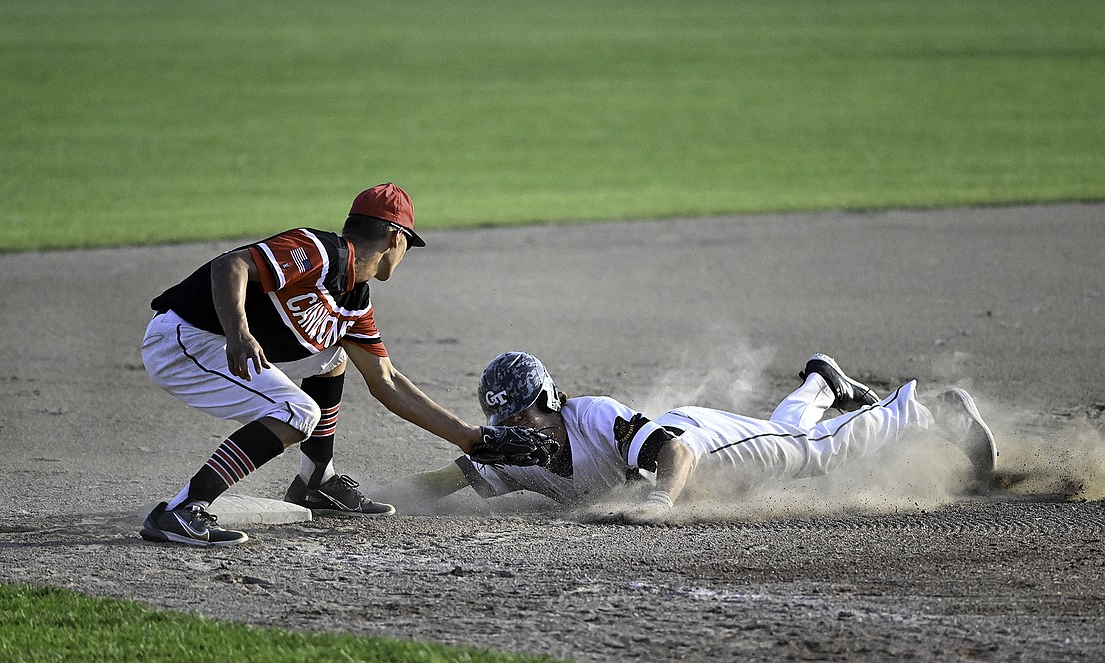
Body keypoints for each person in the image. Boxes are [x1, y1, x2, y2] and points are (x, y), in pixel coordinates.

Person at [139, 183, 488, 546]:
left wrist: (468, 437)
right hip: (182, 341)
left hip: (217, 345)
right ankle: (180, 511)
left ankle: (315, 482)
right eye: (406, 246)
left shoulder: (354, 301)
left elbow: (387, 381)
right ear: (395, 238)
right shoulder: (320, 251)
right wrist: (239, 333)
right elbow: (232, 264)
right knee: (298, 412)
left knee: (333, 358)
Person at [387, 351, 999, 523]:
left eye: (521, 418)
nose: (513, 434)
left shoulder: (593, 415)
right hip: (694, 443)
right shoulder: (515, 453)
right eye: (504, 425)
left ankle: (924, 411)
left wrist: (660, 503)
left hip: (697, 439)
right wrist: (387, 494)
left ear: (549, 402)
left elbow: (673, 453)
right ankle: (822, 386)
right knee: (783, 433)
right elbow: (449, 480)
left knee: (812, 454)